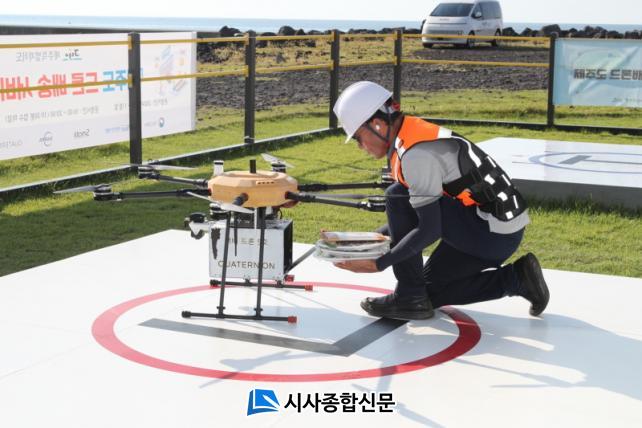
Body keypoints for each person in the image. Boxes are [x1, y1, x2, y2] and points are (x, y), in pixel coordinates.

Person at [332, 81, 550, 320]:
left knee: (396, 196)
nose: (360, 146)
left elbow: (429, 228)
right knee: (427, 293)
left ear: (377, 124)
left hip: (491, 233)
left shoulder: (416, 155)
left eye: (358, 138)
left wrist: (379, 263)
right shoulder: (410, 133)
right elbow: (410, 219)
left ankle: (408, 297)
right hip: (490, 227)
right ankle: (518, 278)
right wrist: (366, 242)